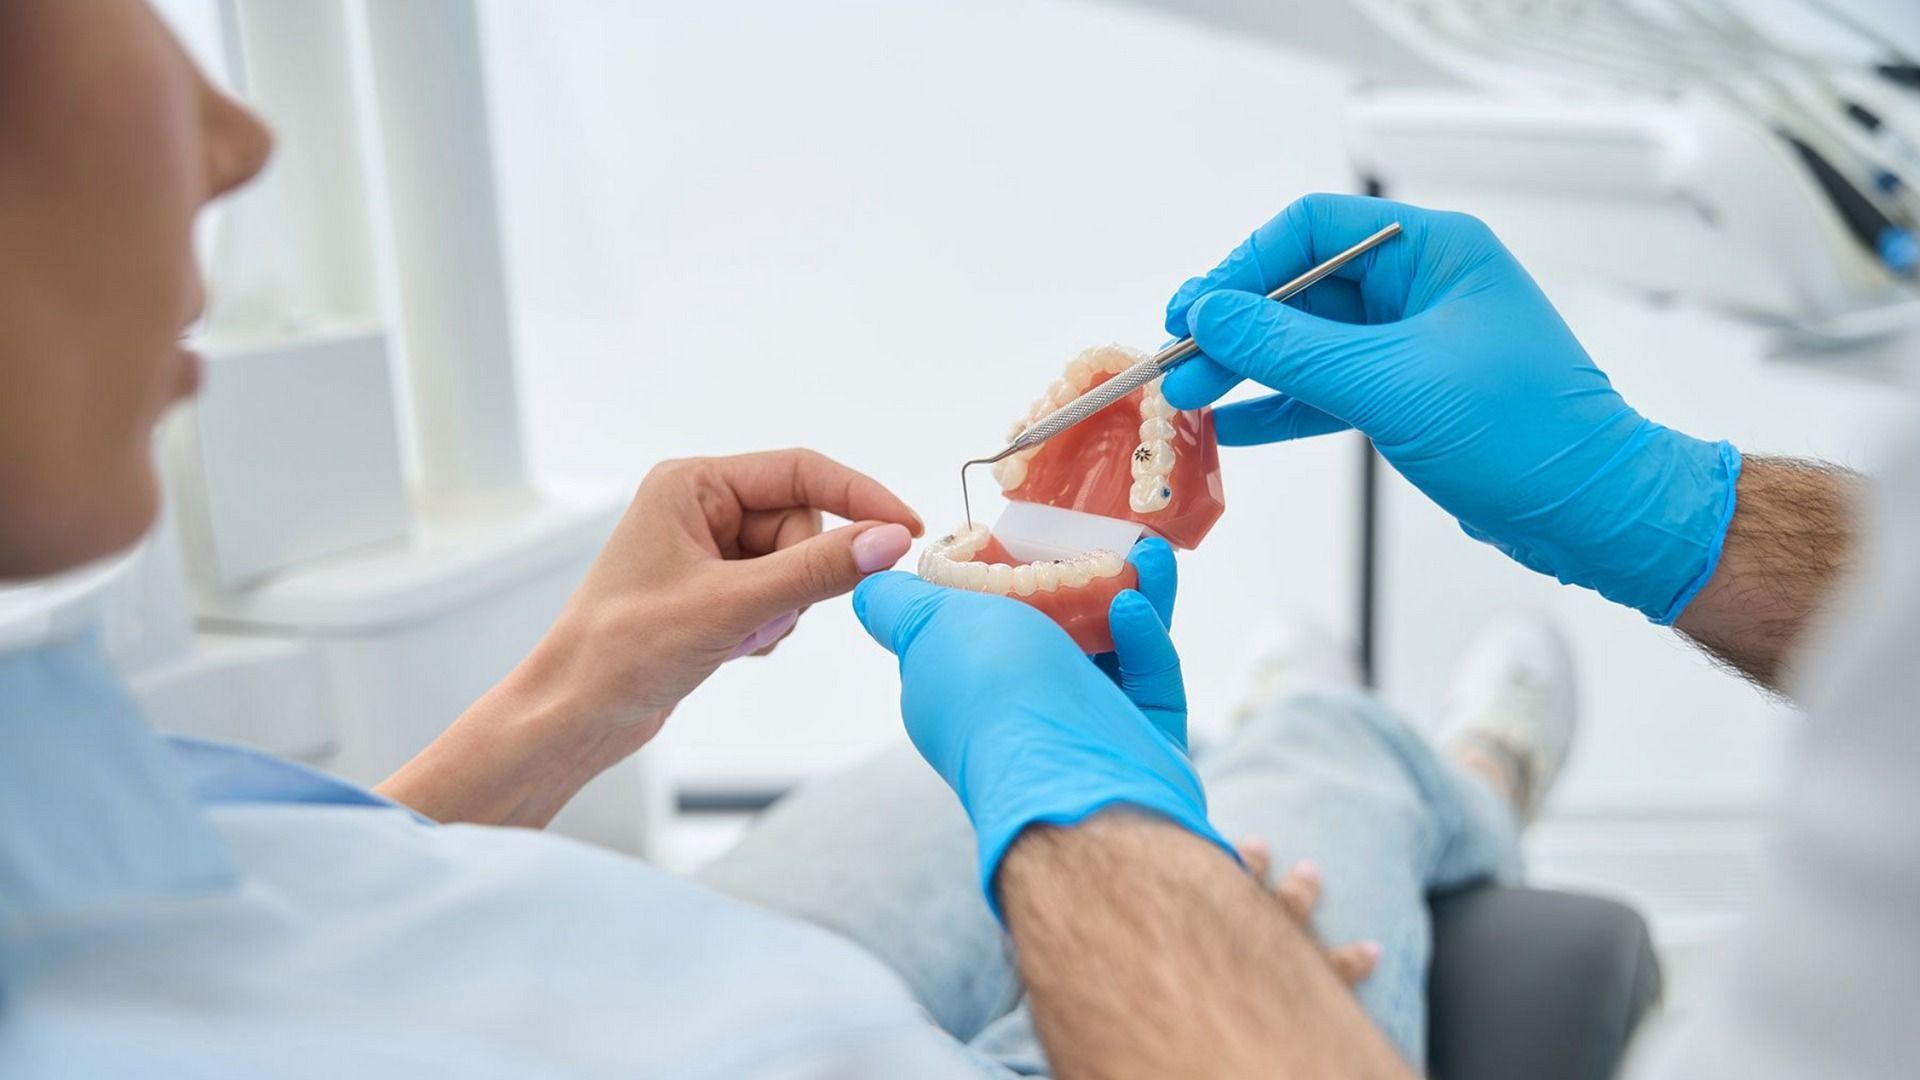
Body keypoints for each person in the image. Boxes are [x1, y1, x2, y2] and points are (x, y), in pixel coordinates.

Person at [0, 4, 1497, 1077]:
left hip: (638, 969)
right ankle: (1468, 765)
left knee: (919, 791)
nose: (244, 137)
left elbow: (276, 917)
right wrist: (1197, 957)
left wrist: (579, 689)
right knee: (1321, 756)